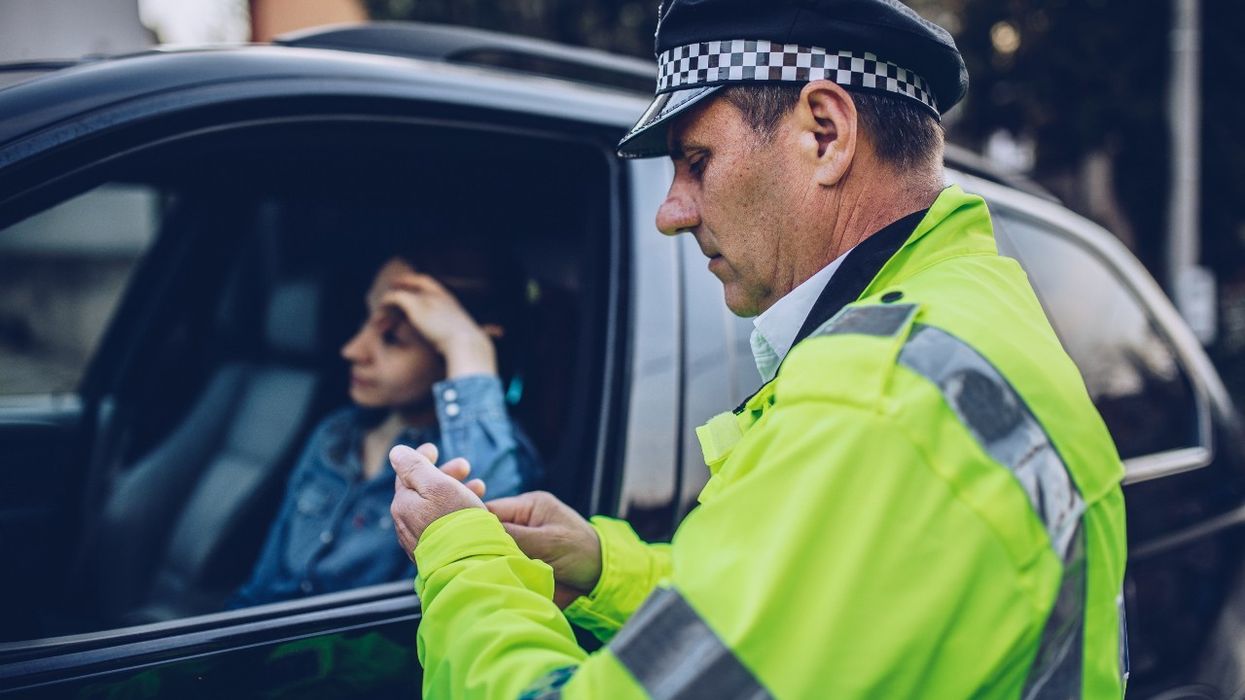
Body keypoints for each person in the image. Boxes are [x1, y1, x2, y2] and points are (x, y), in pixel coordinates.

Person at [387, 1, 1129, 697]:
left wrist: (464, 564)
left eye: (696, 160)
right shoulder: (964, 317)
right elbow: (831, 615)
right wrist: (606, 569)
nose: (670, 213)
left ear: (825, 134)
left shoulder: (874, 400)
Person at [229, 248, 540, 608]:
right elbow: (260, 588)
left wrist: (466, 345)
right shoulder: (336, 435)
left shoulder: (494, 457)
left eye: (393, 338)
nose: (352, 350)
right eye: (366, 319)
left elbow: (487, 567)